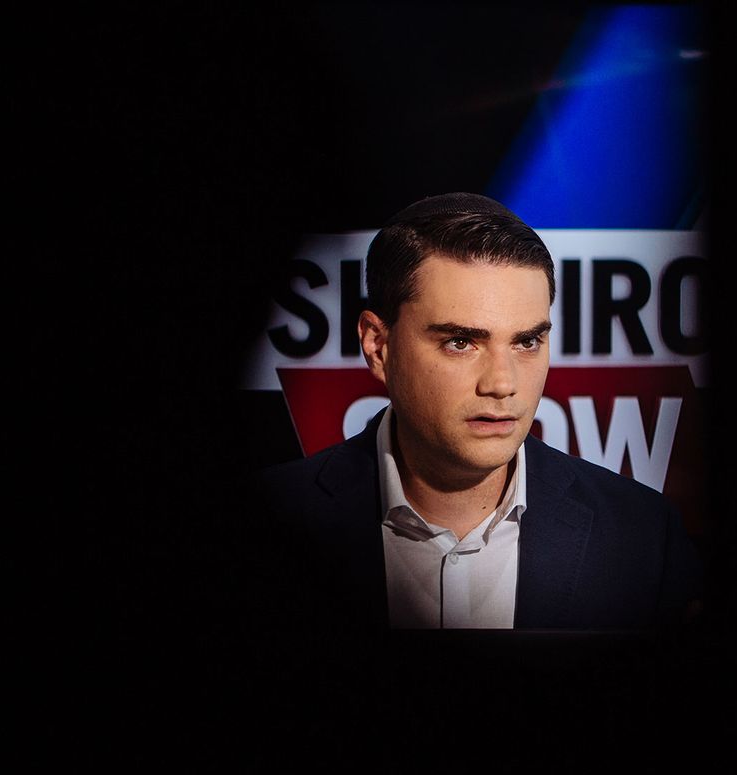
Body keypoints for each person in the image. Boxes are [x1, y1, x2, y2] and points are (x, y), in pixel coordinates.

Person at [253, 192, 702, 631]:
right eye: (461, 342)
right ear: (378, 346)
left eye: (527, 342)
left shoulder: (643, 536)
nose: (502, 384)